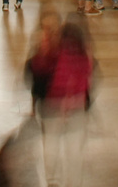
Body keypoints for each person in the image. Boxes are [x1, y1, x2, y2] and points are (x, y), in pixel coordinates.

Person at [29, 15, 94, 186]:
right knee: (74, 154)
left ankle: (52, 181)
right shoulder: (84, 54)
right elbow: (88, 79)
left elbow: (36, 70)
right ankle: (69, 183)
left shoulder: (54, 51)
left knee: (51, 147)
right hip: (75, 106)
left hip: (53, 104)